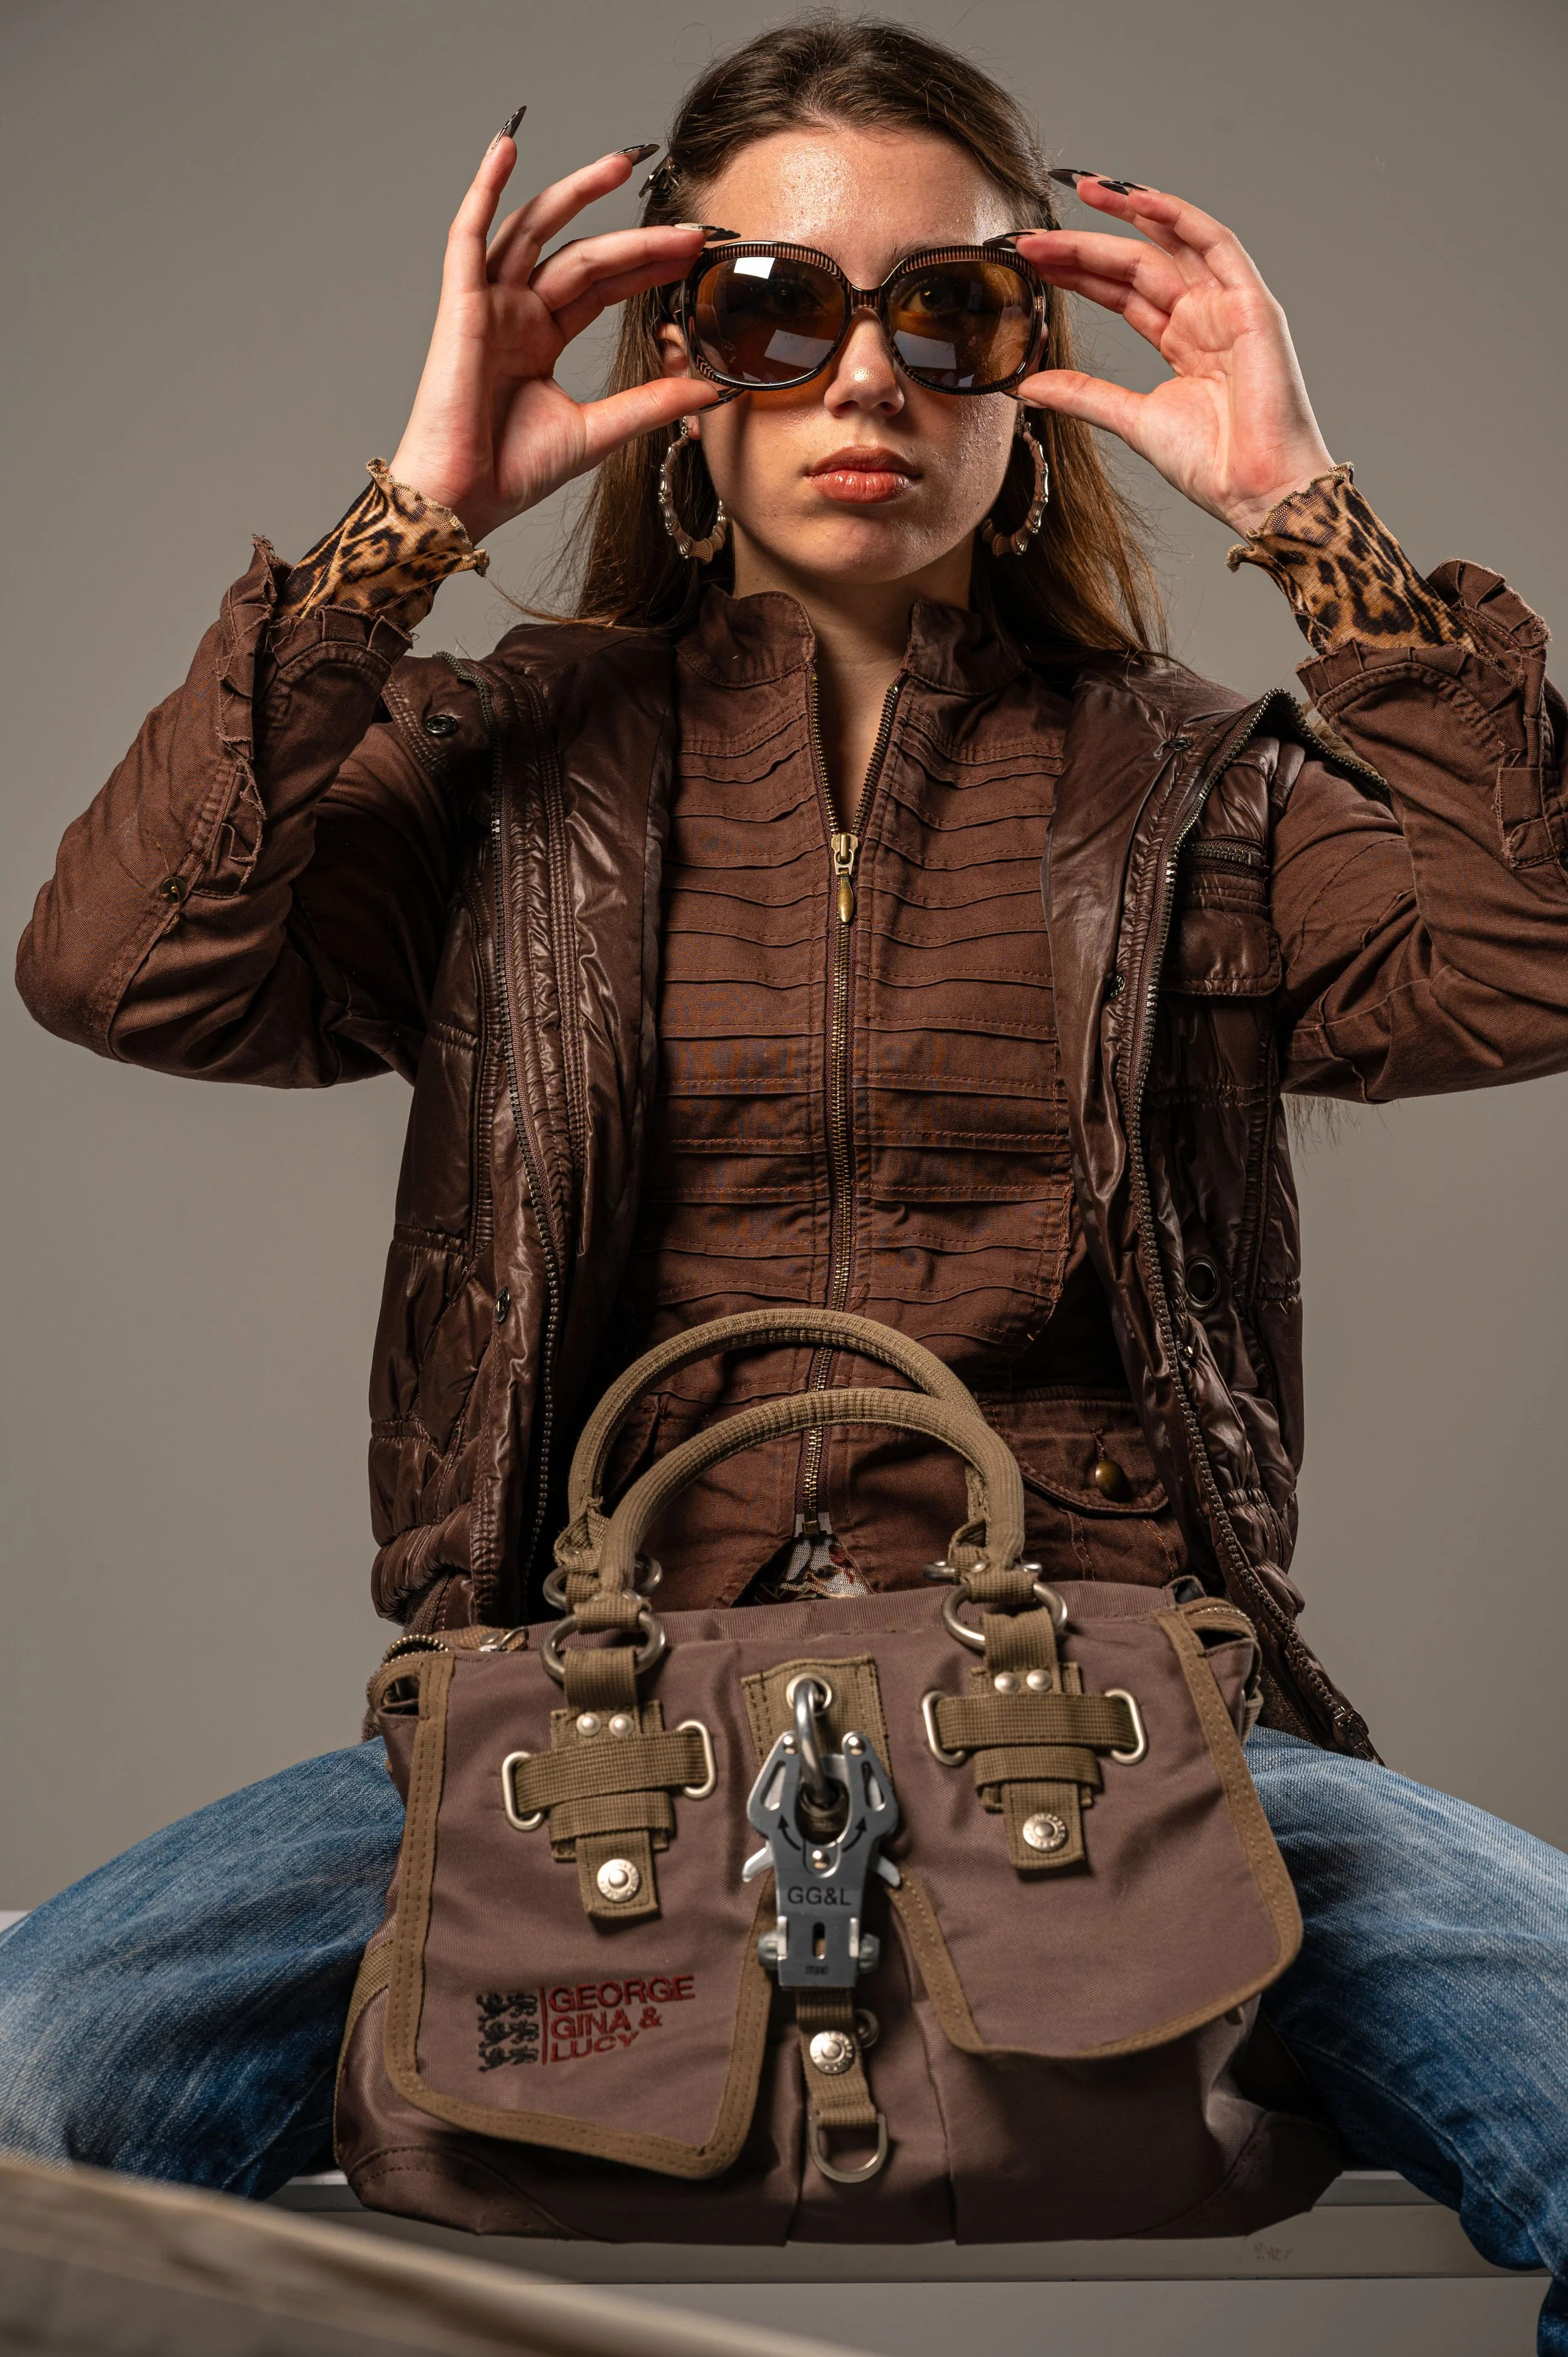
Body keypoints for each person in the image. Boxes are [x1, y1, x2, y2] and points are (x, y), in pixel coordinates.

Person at [6, 14, 1566, 2341]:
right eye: (771, 307)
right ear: (680, 364)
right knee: (36, 2063)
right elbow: (122, 966)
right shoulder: (495, 759)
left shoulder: (1187, 787)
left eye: (949, 312)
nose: (863, 379)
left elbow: (1532, 962)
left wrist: (1305, 521)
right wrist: (406, 521)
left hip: (1123, 1726)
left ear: (1030, 372)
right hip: (570, 1724)